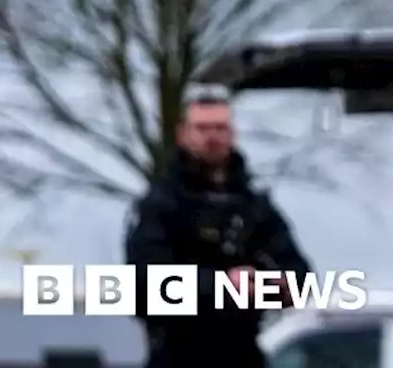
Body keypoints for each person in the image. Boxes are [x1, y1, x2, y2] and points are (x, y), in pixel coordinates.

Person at [125, 94, 312, 368]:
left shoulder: (253, 207)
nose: (212, 137)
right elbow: (146, 283)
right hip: (179, 351)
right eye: (202, 128)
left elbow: (300, 276)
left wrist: (273, 285)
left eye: (220, 128)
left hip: (241, 350)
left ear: (232, 134)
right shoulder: (161, 207)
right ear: (183, 134)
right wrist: (221, 284)